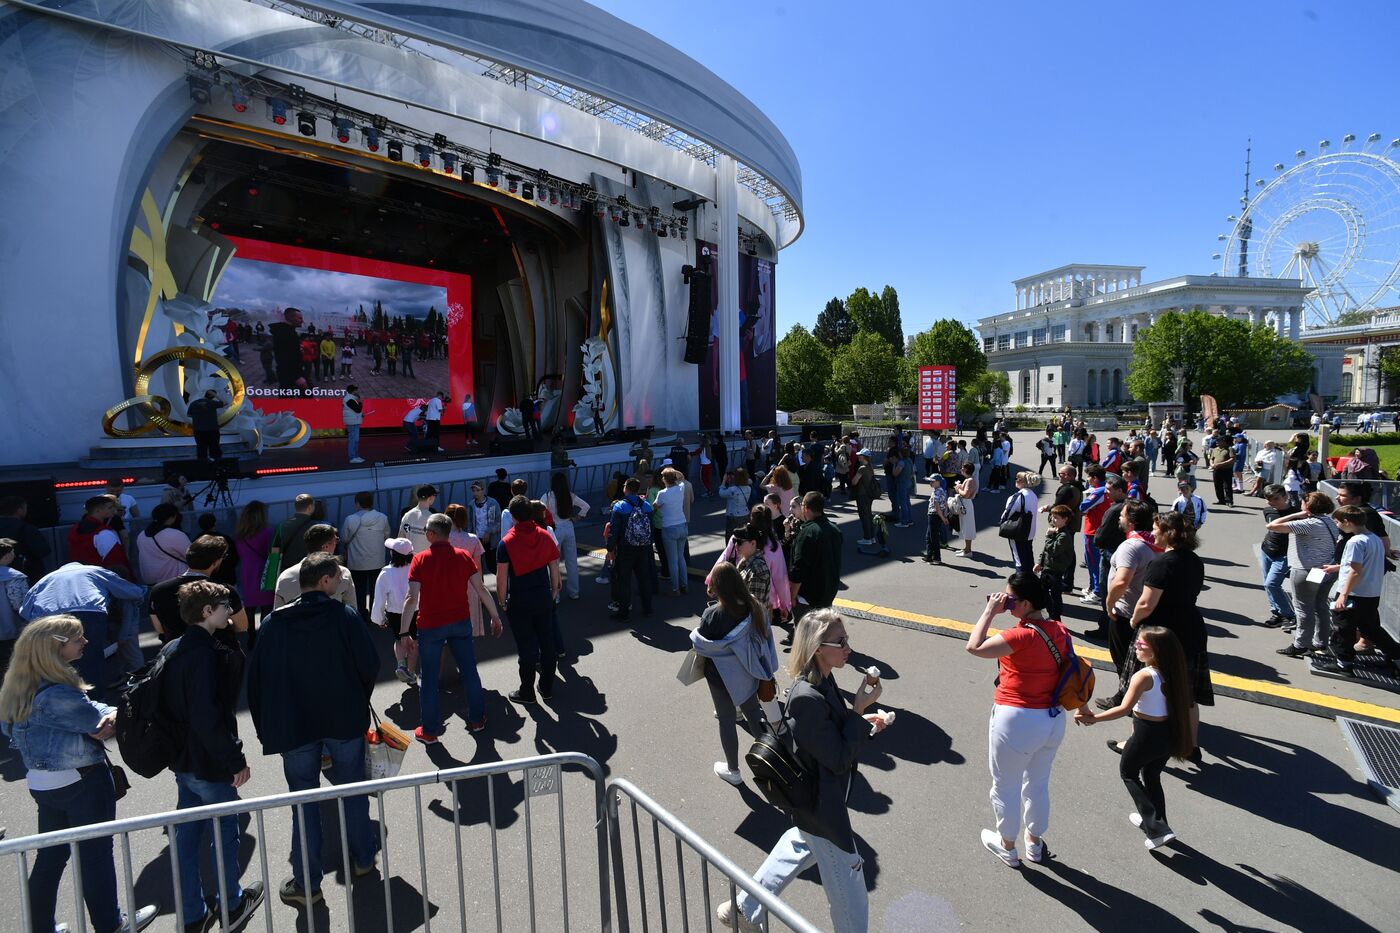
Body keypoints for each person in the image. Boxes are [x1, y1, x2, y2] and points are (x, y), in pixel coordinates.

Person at [719, 608, 889, 933]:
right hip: (825, 811)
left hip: (815, 804)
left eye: (846, 639)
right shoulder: (806, 697)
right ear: (817, 647)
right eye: (840, 642)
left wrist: (861, 723)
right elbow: (837, 758)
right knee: (852, 897)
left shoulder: (823, 678)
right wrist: (859, 710)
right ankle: (745, 908)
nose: (848, 648)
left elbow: (830, 735)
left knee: (798, 844)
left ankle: (744, 907)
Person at [0, 616, 159, 933]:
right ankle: (110, 925)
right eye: (77, 639)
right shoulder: (58, 693)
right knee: (95, 856)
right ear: (55, 648)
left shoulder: (20, 685)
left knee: (51, 858)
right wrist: (111, 715)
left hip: (44, 784)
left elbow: (90, 710)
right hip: (81, 782)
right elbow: (98, 724)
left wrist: (102, 714)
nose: (86, 642)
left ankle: (41, 927)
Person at [245, 553, 381, 907]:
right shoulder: (344, 616)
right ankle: (364, 859)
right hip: (343, 721)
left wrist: (265, 729)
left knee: (303, 801)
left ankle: (307, 883)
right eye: (336, 577)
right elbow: (369, 664)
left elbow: (256, 681)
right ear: (323, 580)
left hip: (294, 726)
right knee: (353, 788)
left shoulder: (274, 623)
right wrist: (355, 699)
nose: (339, 582)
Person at [162, 580, 266, 931]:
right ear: (207, 611)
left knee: (187, 837)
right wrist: (234, 760)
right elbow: (208, 717)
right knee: (225, 835)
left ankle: (192, 912)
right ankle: (232, 905)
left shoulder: (173, 648)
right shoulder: (205, 655)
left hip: (183, 761)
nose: (230, 611)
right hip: (209, 763)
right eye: (225, 606)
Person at [965, 573, 1081, 868]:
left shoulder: (1021, 636)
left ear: (1026, 602)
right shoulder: (1059, 629)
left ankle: (1007, 846)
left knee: (1005, 784)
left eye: (1011, 600)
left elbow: (974, 646)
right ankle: (1035, 842)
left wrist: (990, 610)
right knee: (1038, 783)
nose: (1006, 603)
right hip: (1053, 720)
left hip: (1017, 720)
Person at [1079, 625, 1193, 847]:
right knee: (1151, 776)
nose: (1136, 647)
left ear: (1155, 650)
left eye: (1141, 644)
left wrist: (1094, 719)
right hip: (1168, 734)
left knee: (1128, 773)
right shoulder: (1173, 672)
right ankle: (1159, 822)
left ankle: (1157, 829)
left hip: (1146, 734)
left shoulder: (1144, 675)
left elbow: (1123, 709)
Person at [400, 514, 504, 740]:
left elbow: (411, 598)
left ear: (430, 534)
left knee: (428, 679)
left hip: (430, 626)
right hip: (460, 622)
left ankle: (429, 731)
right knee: (469, 672)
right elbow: (481, 589)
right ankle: (477, 720)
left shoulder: (420, 560)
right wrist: (495, 616)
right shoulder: (463, 556)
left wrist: (403, 632)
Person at [1124, 510, 1210, 757]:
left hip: (1162, 634)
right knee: (1187, 694)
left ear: (1167, 533)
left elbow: (1146, 604)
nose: (1152, 533)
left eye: (1155, 529)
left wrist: (1134, 620)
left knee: (1148, 689)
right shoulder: (1195, 560)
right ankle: (1192, 745)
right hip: (1191, 629)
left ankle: (1136, 744)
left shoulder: (1160, 563)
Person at [690, 561, 777, 785]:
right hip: (749, 672)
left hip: (720, 676)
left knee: (727, 719)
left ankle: (733, 771)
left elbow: (701, 646)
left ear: (717, 587)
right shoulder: (754, 607)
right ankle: (773, 761)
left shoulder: (712, 614)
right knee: (754, 714)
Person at [20, 562, 146, 699]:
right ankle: (94, 700)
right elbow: (127, 590)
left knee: (53, 661)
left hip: (49, 618)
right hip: (89, 612)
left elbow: (24, 611)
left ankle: (60, 699)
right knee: (91, 658)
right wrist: (142, 591)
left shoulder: (45, 579)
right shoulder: (93, 571)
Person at [1313, 505, 1400, 675]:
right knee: (1372, 629)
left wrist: (1343, 595)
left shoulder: (1355, 542)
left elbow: (1355, 571)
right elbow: (1363, 564)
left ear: (1347, 522)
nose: (1337, 525)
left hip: (1353, 593)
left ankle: (1343, 663)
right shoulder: (1373, 538)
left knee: (1342, 626)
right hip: (1370, 594)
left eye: (1338, 522)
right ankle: (1397, 657)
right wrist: (1338, 567)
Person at [496, 498, 562, 704]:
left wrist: (502, 601)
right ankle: (546, 686)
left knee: (526, 648)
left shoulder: (506, 542)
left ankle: (527, 692)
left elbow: (501, 578)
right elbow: (554, 568)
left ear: (513, 516)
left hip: (520, 598)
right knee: (547, 642)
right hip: (543, 595)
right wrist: (553, 591)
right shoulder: (544, 534)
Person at [1102, 501, 1161, 705]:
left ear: (1132, 521)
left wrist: (1110, 605)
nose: (1119, 518)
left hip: (1126, 611)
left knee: (1124, 660)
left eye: (1122, 515)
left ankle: (1125, 698)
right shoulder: (1156, 542)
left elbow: (1121, 581)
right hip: (1146, 609)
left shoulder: (1132, 546)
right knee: (1140, 659)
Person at [1267, 492, 1340, 659]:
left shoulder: (1307, 523)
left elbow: (1272, 526)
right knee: (1320, 605)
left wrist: (1297, 514)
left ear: (1308, 506)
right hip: (1325, 569)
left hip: (1305, 570)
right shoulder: (1330, 522)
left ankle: (1300, 644)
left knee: (1303, 607)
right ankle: (1320, 641)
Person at [147, 535, 249, 645]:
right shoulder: (224, 591)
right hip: (216, 653)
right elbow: (242, 626)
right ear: (216, 562)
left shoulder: (158, 590)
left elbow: (160, 628)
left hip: (177, 653)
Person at [605, 478, 656, 621]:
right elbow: (650, 528)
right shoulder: (646, 505)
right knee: (644, 578)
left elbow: (614, 530)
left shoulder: (620, 506)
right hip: (643, 547)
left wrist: (610, 548)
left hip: (626, 548)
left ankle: (624, 612)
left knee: (624, 580)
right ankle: (648, 608)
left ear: (626, 488)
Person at [788, 493, 843, 624]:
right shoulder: (834, 530)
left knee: (806, 639)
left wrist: (792, 595)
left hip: (808, 598)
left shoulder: (807, 533)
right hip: (827, 593)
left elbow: (799, 568)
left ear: (805, 508)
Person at [273, 523, 356, 609]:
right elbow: (352, 610)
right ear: (326, 546)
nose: (337, 544)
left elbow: (277, 614)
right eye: (336, 541)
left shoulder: (285, 576)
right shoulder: (342, 573)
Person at [337, 491, 391, 623]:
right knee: (376, 590)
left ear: (357, 504)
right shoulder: (382, 517)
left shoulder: (350, 519)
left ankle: (361, 615)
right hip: (377, 561)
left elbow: (343, 538)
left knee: (359, 590)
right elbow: (387, 536)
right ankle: (376, 616)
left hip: (357, 562)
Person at [371, 538, 419, 684]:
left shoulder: (386, 573)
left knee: (399, 639)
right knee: (414, 642)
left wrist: (379, 618)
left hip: (394, 612)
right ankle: (411, 673)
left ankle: (401, 664)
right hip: (415, 610)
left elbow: (379, 598)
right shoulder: (416, 568)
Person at [233, 500, 275, 645]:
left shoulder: (240, 534)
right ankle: (264, 635)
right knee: (266, 606)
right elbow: (271, 553)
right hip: (263, 569)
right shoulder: (267, 532)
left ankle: (251, 635)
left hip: (246, 571)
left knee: (249, 607)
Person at [1257, 485, 1298, 629]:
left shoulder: (1296, 512)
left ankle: (1288, 615)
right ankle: (1277, 613)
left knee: (1271, 584)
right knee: (1267, 585)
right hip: (1267, 550)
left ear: (1285, 496)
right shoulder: (1268, 510)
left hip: (1285, 554)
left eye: (1276, 499)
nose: (1272, 503)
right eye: (1269, 499)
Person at [543, 472, 590, 599]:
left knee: (554, 563)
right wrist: (578, 517)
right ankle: (574, 592)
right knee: (572, 561)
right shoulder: (570, 495)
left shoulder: (547, 496)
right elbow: (586, 506)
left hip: (554, 530)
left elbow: (540, 511)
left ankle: (555, 595)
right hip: (569, 527)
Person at [68, 494, 130, 577]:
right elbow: (115, 561)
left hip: (81, 575)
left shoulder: (75, 528)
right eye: (110, 507)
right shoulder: (104, 533)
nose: (114, 510)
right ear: (97, 510)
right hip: (102, 577)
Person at [1035, 505, 1076, 622]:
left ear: (1065, 519)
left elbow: (1053, 551)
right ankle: (1050, 612)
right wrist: (1040, 563)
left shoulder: (1063, 536)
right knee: (1043, 592)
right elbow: (1045, 550)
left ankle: (1055, 617)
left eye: (1056, 518)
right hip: (1047, 568)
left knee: (1055, 595)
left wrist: (1048, 536)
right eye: (1052, 517)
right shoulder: (1055, 531)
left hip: (1055, 570)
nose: (1053, 520)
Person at [135, 502, 191, 585]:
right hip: (174, 582)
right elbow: (191, 556)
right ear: (173, 517)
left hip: (151, 583)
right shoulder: (175, 535)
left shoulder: (142, 535)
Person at [0, 495, 52, 583]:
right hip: (25, 574)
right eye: (25, 508)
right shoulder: (25, 528)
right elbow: (43, 551)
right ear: (19, 510)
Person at [654, 468, 689, 596]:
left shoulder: (662, 493)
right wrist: (674, 472)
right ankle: (684, 585)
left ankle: (675, 589)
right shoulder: (681, 488)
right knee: (681, 558)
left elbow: (655, 506)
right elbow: (682, 475)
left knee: (672, 560)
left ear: (664, 479)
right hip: (682, 524)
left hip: (669, 527)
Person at [0, 539, 31, 673]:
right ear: (7, 555)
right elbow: (20, 604)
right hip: (9, 629)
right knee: (10, 667)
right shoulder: (14, 576)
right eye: (12, 552)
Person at [999, 472, 1041, 571]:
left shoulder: (1018, 495)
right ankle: (1031, 579)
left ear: (1022, 482)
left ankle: (1021, 581)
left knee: (1019, 559)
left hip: (1018, 532)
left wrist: (1002, 523)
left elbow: (1007, 514)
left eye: (1018, 478)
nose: (1016, 480)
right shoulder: (1033, 495)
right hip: (1030, 531)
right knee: (1028, 557)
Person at [271, 493, 317, 571]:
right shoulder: (315, 527)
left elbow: (275, 550)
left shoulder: (281, 526)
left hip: (286, 570)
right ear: (310, 507)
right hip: (307, 571)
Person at [467, 482, 503, 574]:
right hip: (477, 538)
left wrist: (489, 531)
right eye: (474, 491)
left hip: (490, 539)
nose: (475, 493)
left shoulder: (492, 503)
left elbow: (498, 522)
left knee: (492, 564)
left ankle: (503, 584)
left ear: (483, 490)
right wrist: (469, 537)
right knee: (477, 566)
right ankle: (480, 586)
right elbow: (470, 522)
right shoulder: (471, 505)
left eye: (478, 490)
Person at [187, 389, 226, 462]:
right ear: (212, 396)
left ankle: (202, 466)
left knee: (201, 448)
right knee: (214, 448)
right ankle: (217, 465)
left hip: (198, 430)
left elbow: (189, 415)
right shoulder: (212, 403)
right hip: (212, 429)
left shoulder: (194, 403)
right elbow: (224, 402)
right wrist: (215, 395)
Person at [399, 483, 438, 553]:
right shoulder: (433, 517)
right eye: (434, 496)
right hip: (426, 558)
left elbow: (400, 540)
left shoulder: (406, 515)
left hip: (411, 559)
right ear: (430, 498)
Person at [718, 468, 752, 541]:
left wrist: (724, 481)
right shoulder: (748, 488)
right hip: (745, 514)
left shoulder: (732, 489)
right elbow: (748, 481)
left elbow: (721, 493)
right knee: (743, 535)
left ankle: (731, 551)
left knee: (731, 536)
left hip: (733, 515)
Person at [924, 475, 948, 565]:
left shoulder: (936, 492)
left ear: (938, 482)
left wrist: (943, 518)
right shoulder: (941, 490)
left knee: (933, 537)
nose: (930, 483)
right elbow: (945, 504)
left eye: (932, 481)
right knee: (928, 536)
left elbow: (937, 507)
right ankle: (929, 555)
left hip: (934, 515)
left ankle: (937, 557)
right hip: (937, 515)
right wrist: (944, 516)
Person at [342, 384, 364, 464]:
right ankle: (352, 457)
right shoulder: (349, 399)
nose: (357, 392)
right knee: (353, 440)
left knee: (355, 440)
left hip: (354, 421)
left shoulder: (350, 398)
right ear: (353, 391)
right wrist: (360, 402)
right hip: (352, 422)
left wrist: (361, 414)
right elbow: (357, 409)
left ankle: (356, 456)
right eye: (355, 390)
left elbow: (354, 411)